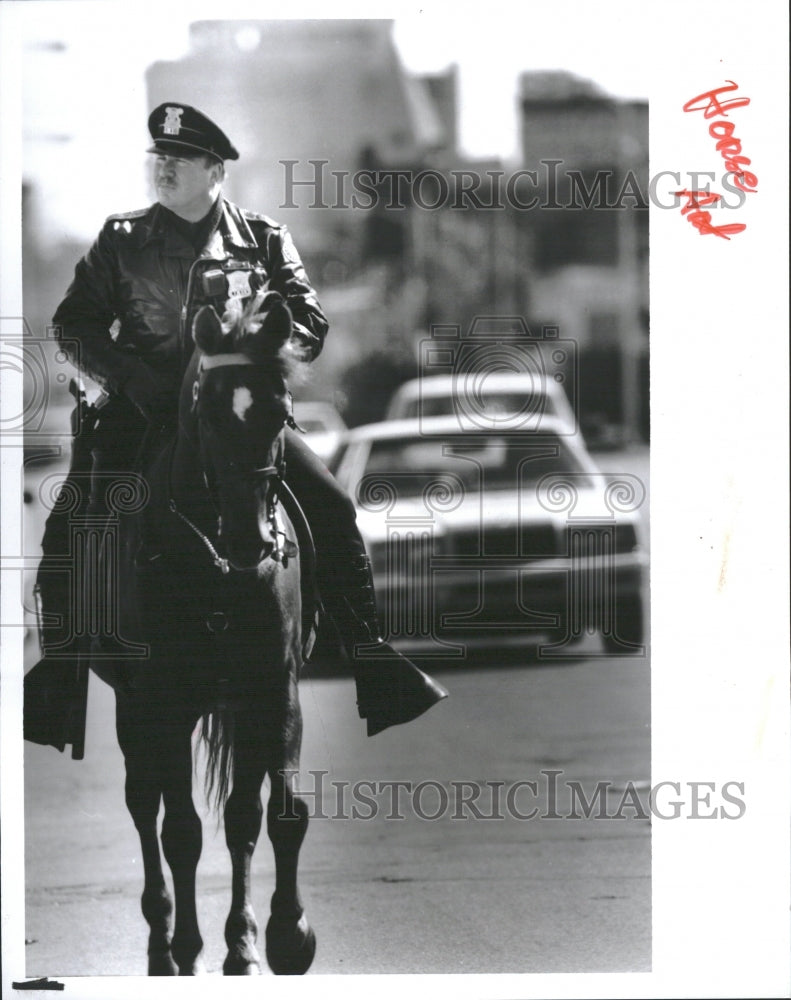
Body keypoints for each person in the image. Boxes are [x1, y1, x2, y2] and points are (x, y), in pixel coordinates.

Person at [26, 102, 447, 748]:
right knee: (73, 518)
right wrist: (136, 382)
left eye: (177, 160)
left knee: (332, 506)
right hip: (144, 415)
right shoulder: (122, 239)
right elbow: (73, 324)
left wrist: (260, 357)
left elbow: (309, 322)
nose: (162, 169)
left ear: (213, 170)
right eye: (157, 159)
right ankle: (58, 674)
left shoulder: (264, 238)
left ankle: (372, 657)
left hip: (240, 416)